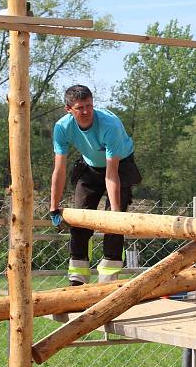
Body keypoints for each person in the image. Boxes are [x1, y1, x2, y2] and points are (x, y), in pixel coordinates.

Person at [49, 84, 142, 286]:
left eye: (89, 106)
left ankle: (108, 278)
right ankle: (78, 278)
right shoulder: (62, 128)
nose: (85, 112)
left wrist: (115, 214)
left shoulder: (110, 125)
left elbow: (111, 174)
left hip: (119, 166)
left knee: (113, 221)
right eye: (80, 107)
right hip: (89, 167)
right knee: (80, 218)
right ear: (69, 109)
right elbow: (59, 170)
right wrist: (53, 207)